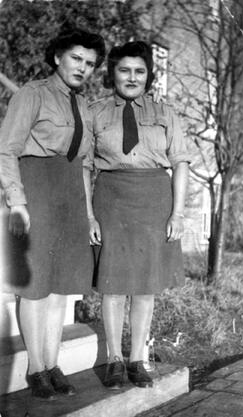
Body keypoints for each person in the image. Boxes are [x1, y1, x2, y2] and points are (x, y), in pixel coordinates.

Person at [0, 28, 105, 400]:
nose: (83, 68)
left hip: (70, 192)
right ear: (58, 56)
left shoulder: (82, 105)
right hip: (36, 186)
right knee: (36, 287)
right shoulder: (32, 93)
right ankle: (35, 368)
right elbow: (7, 149)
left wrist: (88, 213)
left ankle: (52, 363)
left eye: (90, 63)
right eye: (77, 58)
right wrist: (17, 202)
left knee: (60, 285)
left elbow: (84, 163)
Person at [83, 41, 190, 389]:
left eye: (139, 71)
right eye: (124, 70)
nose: (132, 77)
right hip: (111, 199)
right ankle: (114, 359)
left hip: (154, 200)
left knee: (145, 287)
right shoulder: (95, 112)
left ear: (148, 75)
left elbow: (181, 164)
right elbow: (85, 167)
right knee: (112, 286)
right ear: (112, 73)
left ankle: (137, 360)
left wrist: (178, 213)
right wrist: (89, 216)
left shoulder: (165, 112)